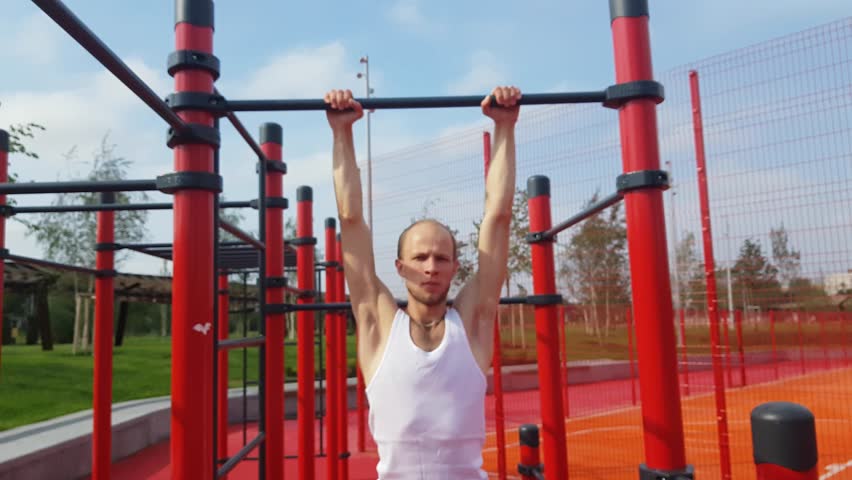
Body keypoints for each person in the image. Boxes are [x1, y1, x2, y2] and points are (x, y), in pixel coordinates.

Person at [324, 85, 521, 479]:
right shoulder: (379, 325)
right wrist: (342, 132)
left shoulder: (472, 323)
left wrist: (505, 127)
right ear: (400, 267)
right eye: (419, 258)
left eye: (441, 258)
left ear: (455, 267)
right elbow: (350, 219)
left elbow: (498, 217)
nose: (430, 268)